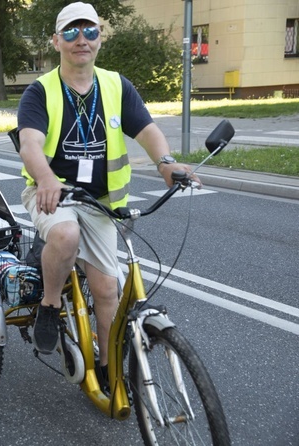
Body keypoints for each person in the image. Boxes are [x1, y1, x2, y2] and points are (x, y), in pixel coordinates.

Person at [17, 2, 200, 381]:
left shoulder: (117, 85)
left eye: (89, 31)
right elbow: (29, 144)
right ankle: (50, 304)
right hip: (54, 195)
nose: (80, 39)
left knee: (107, 290)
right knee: (65, 235)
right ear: (56, 41)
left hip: (100, 203)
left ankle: (107, 367)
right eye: (70, 32)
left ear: (101, 37)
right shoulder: (40, 91)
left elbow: (146, 130)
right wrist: (47, 179)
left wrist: (166, 162)